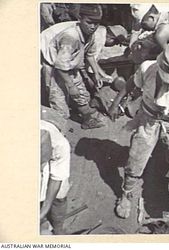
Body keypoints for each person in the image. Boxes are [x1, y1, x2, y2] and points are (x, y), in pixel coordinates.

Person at [108, 42, 169, 219]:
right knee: (136, 158)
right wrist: (116, 103)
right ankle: (127, 192)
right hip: (148, 118)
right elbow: (132, 83)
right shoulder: (148, 68)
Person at [41, 4, 112, 129]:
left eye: (96, 23)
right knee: (60, 103)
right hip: (53, 64)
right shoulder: (71, 36)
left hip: (68, 64)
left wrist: (96, 73)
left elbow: (90, 56)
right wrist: (71, 86)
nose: (93, 26)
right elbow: (60, 66)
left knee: (82, 94)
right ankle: (57, 131)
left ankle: (85, 117)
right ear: (80, 18)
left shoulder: (91, 34)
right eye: (89, 22)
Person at [40, 106, 70, 235]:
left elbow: (57, 178)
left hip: (50, 119)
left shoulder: (60, 145)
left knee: (60, 195)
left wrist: (43, 211)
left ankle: (58, 227)